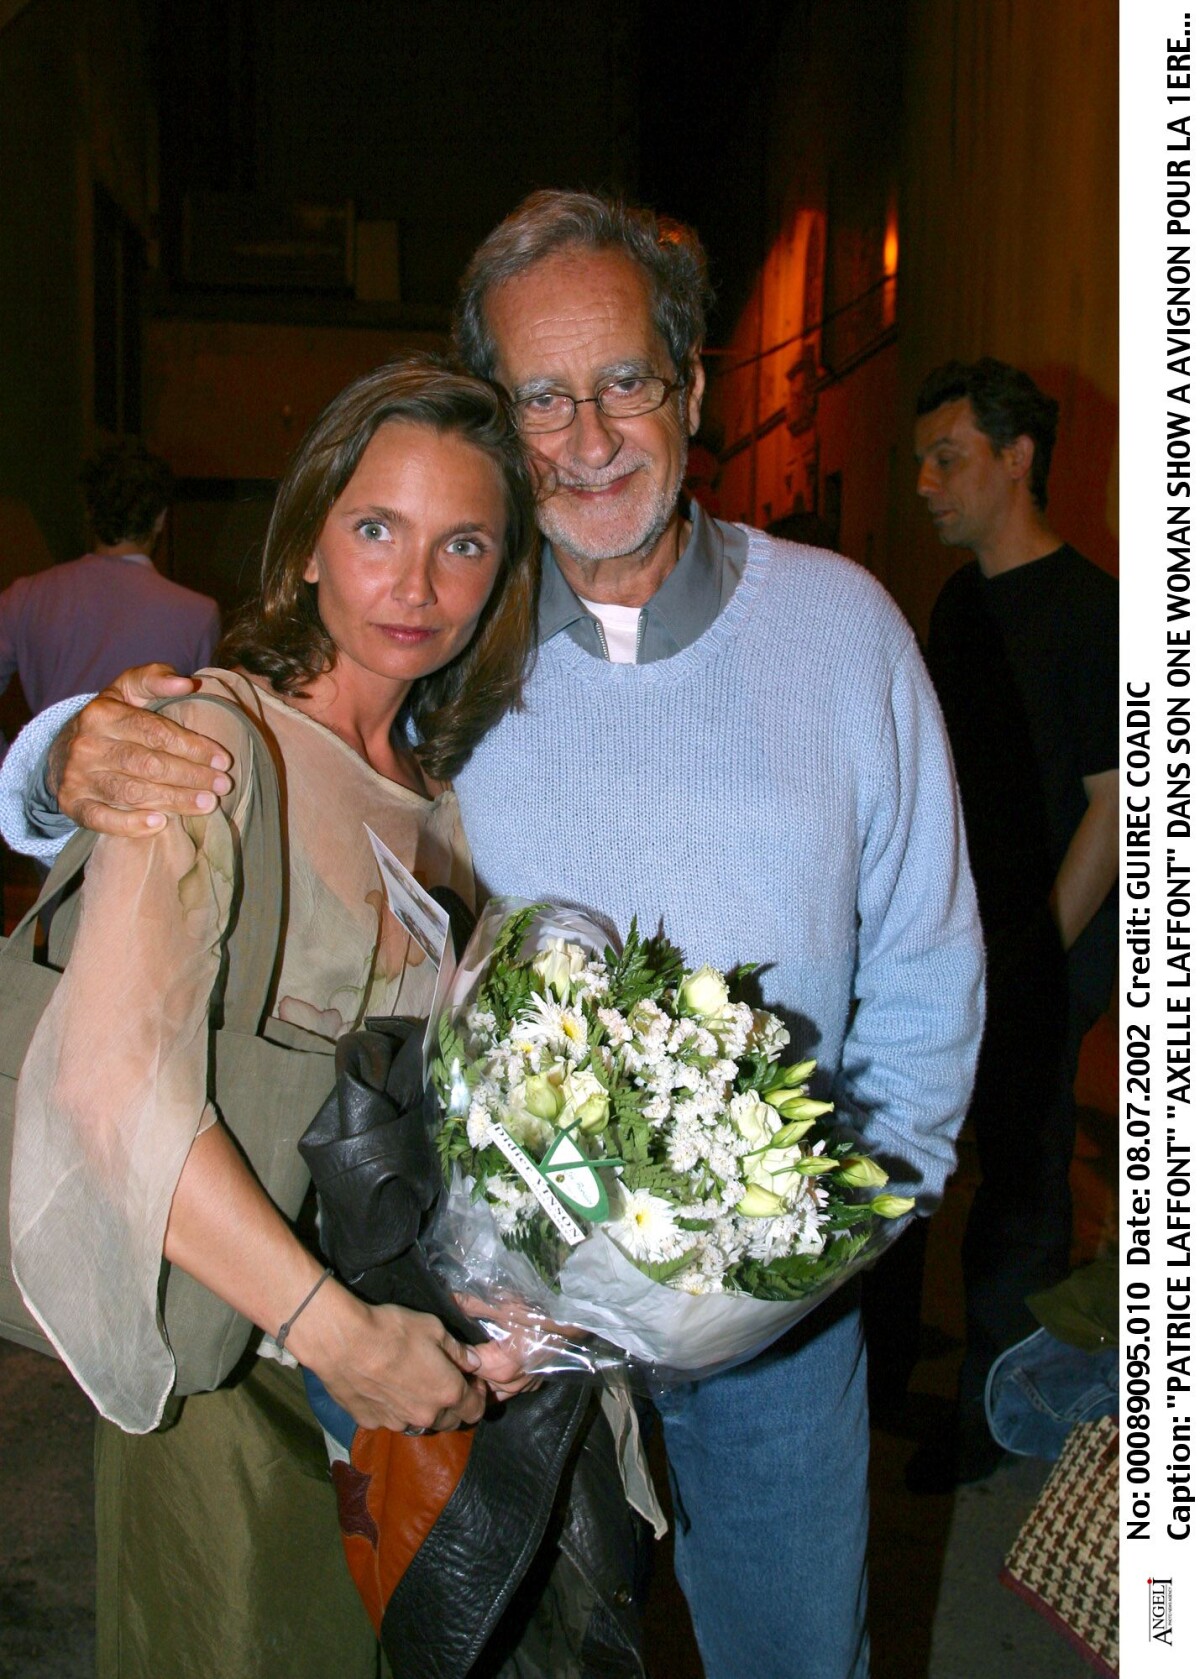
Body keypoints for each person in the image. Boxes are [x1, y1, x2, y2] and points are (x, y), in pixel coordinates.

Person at [2, 193, 985, 1679]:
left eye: (626, 382)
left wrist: (807, 1259)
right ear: (498, 415)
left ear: (696, 387)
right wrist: (60, 752)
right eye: (540, 394)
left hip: (780, 1341)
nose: (588, 436)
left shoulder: (846, 632)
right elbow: (257, 743)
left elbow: (927, 986)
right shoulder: (465, 654)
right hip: (488, 1343)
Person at [8, 360, 565, 1679]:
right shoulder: (210, 739)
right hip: (236, 1372)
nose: (415, 585)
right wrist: (335, 1329)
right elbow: (105, 1083)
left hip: (396, 1390)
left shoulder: (450, 809)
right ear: (311, 535)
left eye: (463, 543)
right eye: (377, 528)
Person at [909, 356, 1118, 1490]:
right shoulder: (958, 604)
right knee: (946, 1156)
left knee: (1026, 1182)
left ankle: (998, 1416)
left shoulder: (1097, 611)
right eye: (924, 461)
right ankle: (936, 1382)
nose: (929, 482)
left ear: (1018, 458)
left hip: (1045, 941)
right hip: (965, 932)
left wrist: (1031, 945)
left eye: (951, 457)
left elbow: (1115, 796)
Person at [0, 441, 220, 722]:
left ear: (90, 511)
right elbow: (206, 720)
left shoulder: (25, 597)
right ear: (160, 518)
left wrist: (13, 761)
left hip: (51, 762)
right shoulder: (198, 614)